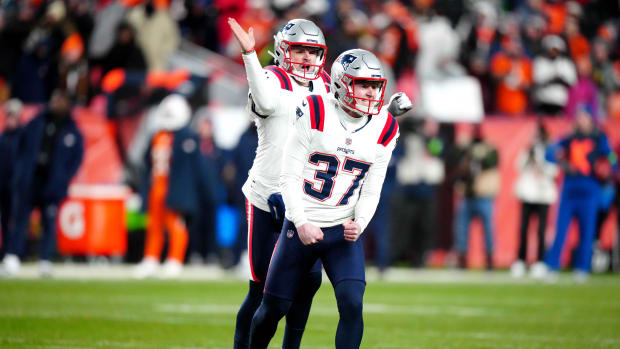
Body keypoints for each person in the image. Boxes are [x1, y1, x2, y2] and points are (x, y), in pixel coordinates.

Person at [228, 18, 412, 349]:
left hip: (313, 201)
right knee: (262, 292)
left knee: (308, 284)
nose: (306, 58)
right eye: (298, 50)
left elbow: (349, 120)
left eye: (313, 51)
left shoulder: (330, 85)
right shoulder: (270, 76)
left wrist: (385, 111)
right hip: (268, 192)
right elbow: (270, 104)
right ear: (283, 51)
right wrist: (250, 55)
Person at [1, 90, 83, 277]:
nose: (56, 103)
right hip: (31, 180)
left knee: (49, 222)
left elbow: (76, 159)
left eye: (61, 100)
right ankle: (13, 256)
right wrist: (22, 170)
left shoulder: (72, 130)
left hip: (53, 184)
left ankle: (45, 259)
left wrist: (63, 177)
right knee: (21, 220)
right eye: (54, 99)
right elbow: (21, 146)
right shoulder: (37, 122)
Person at [133, 94, 211, 279]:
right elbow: (146, 164)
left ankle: (174, 260)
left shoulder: (187, 137)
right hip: (156, 187)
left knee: (175, 226)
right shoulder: (158, 135)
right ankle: (150, 259)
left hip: (174, 190)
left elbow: (196, 168)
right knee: (154, 226)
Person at [544, 110, 612, 282]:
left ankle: (582, 267)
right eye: (579, 117)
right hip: (570, 188)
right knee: (560, 229)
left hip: (589, 188)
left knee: (587, 230)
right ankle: (552, 265)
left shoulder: (599, 138)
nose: (581, 121)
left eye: (584, 117)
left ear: (591, 120)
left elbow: (611, 157)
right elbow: (549, 153)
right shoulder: (569, 138)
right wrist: (562, 162)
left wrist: (610, 169)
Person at [511, 123, 558, 279]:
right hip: (528, 194)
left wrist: (542, 163)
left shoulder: (551, 150)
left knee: (541, 230)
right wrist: (529, 155)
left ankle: (540, 261)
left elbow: (554, 171)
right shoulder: (529, 150)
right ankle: (521, 260)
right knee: (523, 229)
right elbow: (518, 166)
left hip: (543, 195)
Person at [453, 126, 499, 270]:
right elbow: (455, 157)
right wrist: (463, 147)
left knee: (488, 229)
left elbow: (490, 162)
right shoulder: (466, 149)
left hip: (484, 194)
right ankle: (462, 257)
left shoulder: (490, 150)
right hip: (468, 195)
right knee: (461, 228)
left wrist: (477, 152)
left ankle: (490, 258)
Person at [0, 99, 24, 260]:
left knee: (17, 220)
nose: (10, 119)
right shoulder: (3, 137)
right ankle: (6, 250)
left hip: (18, 185)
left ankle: (16, 251)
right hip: (3, 184)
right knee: (5, 219)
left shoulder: (24, 137)